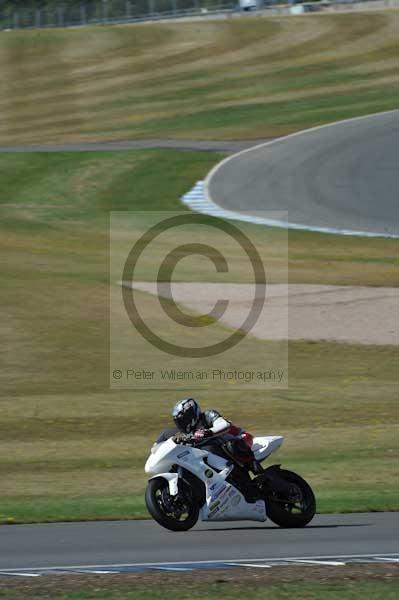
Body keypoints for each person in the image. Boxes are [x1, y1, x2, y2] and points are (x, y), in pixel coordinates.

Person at [172, 397, 262, 474]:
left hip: (241, 438)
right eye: (179, 422)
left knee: (232, 445)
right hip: (217, 451)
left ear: (192, 415)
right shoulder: (187, 433)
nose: (182, 424)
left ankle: (253, 465)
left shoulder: (208, 415)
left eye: (183, 420)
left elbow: (225, 424)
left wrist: (209, 432)